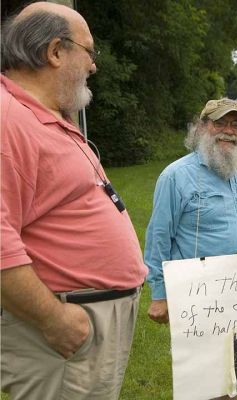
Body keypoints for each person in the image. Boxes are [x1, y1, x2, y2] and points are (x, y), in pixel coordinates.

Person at [1, 3, 147, 400]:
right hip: (64, 330)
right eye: (90, 52)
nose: (94, 66)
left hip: (89, 318)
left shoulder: (43, 116)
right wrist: (55, 320)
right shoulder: (7, 118)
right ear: (55, 51)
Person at [144, 98, 237, 400]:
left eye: (236, 125)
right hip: (200, 296)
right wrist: (159, 293)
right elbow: (158, 238)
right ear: (203, 126)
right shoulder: (176, 177)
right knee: (203, 385)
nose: (229, 131)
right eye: (220, 123)